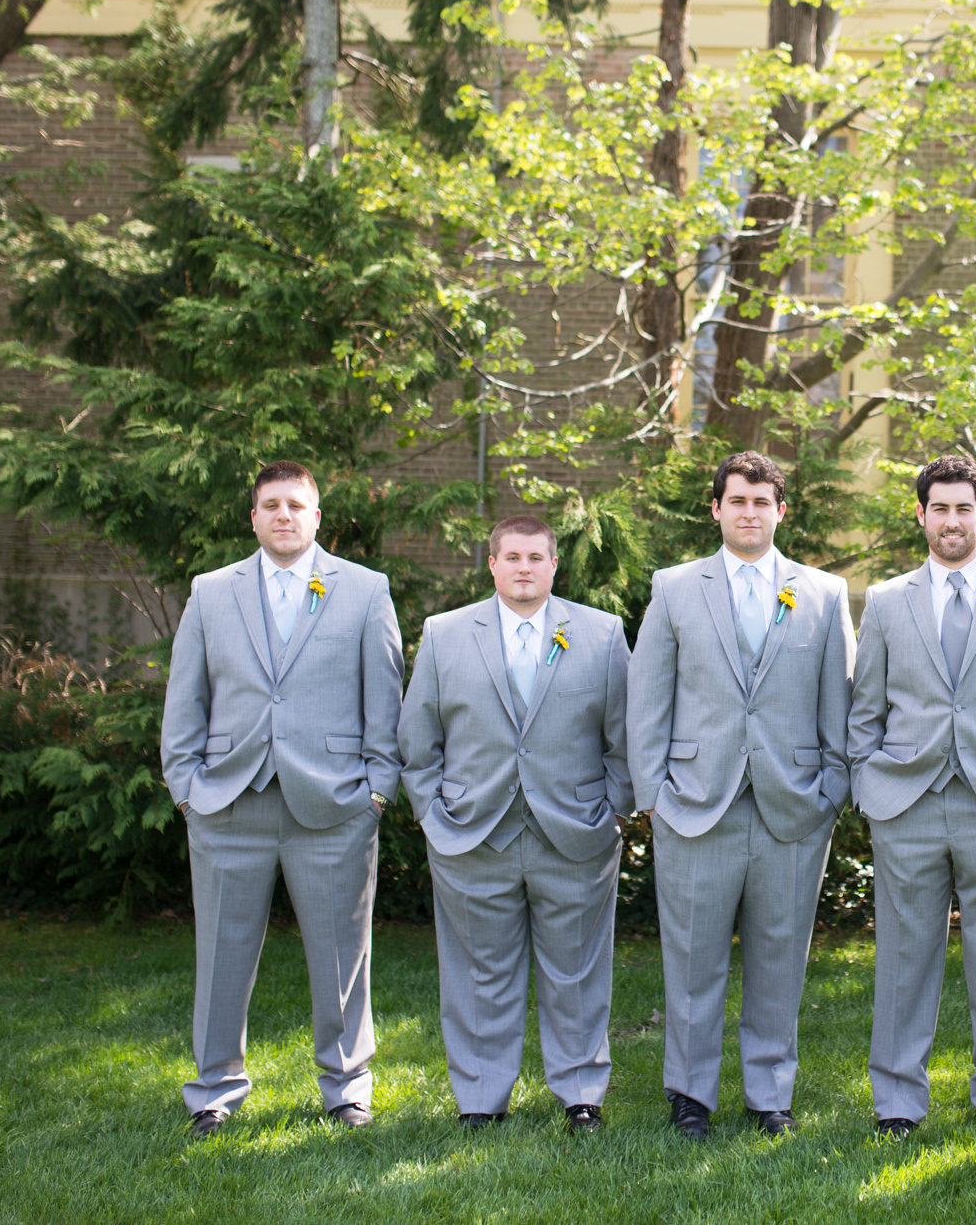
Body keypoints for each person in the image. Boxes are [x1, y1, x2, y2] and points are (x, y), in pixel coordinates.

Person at [160, 460, 404, 1137]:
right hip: (228, 804)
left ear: (317, 515)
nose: (284, 515)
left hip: (333, 807)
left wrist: (376, 792)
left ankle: (347, 1087)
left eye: (297, 504)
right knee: (220, 956)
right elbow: (186, 698)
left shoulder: (363, 589)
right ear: (254, 516)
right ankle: (212, 1089)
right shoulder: (211, 592)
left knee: (341, 958)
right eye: (271, 504)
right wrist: (187, 790)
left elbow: (385, 700)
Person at [626, 451, 856, 1139]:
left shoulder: (823, 591)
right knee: (693, 957)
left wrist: (830, 791)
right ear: (716, 506)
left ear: (781, 510)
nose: (749, 512)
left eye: (762, 501)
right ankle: (690, 1095)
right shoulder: (673, 588)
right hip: (696, 802)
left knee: (780, 957)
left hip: (793, 804)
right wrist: (654, 795)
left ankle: (770, 1094)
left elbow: (838, 702)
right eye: (738, 500)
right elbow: (647, 698)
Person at [847, 455, 976, 1146]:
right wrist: (869, 783)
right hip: (906, 801)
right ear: (920, 514)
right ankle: (898, 1102)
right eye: (938, 508)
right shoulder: (885, 600)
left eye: (963, 508)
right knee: (905, 956)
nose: (951, 520)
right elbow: (864, 708)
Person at [398, 516, 631, 1133]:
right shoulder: (446, 634)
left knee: (577, 971)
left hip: (575, 832)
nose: (524, 567)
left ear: (555, 565)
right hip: (473, 834)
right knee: (480, 971)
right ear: (492, 565)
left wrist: (610, 809)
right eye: (511, 557)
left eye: (536, 557)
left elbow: (624, 738)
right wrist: (431, 813)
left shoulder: (602, 634)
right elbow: (418, 737)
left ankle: (581, 1093)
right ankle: (480, 1098)